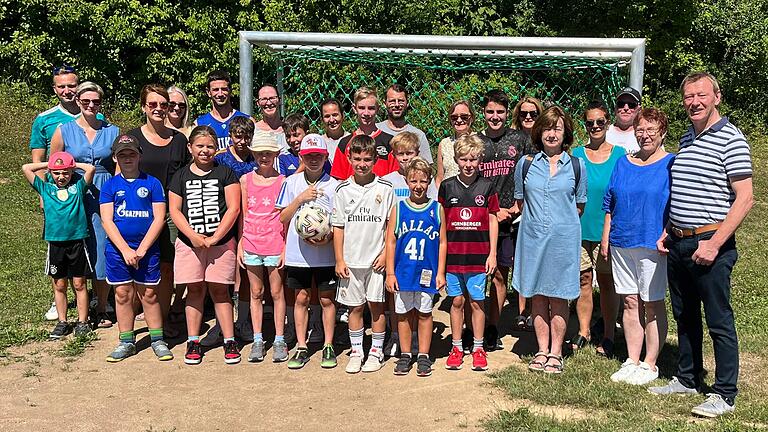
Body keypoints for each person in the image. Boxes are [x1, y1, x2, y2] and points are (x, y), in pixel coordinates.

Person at [649, 73, 754, 418]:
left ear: (717, 98)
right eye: (688, 96)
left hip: (711, 244)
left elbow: (745, 198)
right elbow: (685, 192)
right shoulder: (687, 138)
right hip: (679, 243)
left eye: (701, 95)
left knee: (719, 320)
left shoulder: (731, 138)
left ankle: (725, 393)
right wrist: (669, 229)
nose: (694, 101)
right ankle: (687, 377)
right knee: (686, 314)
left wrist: (715, 243)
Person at [601, 108, 674, 384]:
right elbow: (610, 202)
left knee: (652, 303)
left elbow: (676, 204)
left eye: (651, 130)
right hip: (621, 241)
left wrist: (667, 233)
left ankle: (650, 363)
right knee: (630, 301)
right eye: (640, 130)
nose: (645, 136)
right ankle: (632, 359)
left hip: (652, 243)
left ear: (662, 133)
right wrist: (606, 237)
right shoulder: (623, 163)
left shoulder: (671, 163)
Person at [513, 106, 586, 374]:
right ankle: (541, 349)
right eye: (547, 127)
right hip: (532, 238)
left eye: (557, 128)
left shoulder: (577, 165)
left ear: (565, 131)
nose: (551, 133)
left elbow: (579, 206)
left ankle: (557, 352)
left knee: (559, 296)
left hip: (563, 240)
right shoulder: (526, 164)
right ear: (538, 131)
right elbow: (521, 202)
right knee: (537, 295)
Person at [29, 65, 103, 321]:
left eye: (71, 85)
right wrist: (43, 193)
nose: (67, 90)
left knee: (91, 239)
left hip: (88, 188)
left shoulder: (95, 114)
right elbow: (39, 158)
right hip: (58, 193)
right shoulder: (45, 118)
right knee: (62, 241)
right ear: (54, 89)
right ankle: (58, 299)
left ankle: (94, 292)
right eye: (61, 86)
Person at [168, 126, 241, 365]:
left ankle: (229, 340)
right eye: (200, 146)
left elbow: (233, 208)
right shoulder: (180, 176)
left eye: (210, 146)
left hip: (221, 244)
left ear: (216, 149)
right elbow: (175, 211)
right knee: (195, 290)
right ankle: (193, 340)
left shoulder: (226, 173)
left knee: (221, 291)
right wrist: (195, 237)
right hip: (189, 244)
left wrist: (215, 237)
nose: (205, 150)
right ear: (190, 148)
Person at [50, 81, 120, 329]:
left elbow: (118, 165)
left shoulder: (113, 131)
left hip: (104, 190)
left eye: (96, 101)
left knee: (102, 246)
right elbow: (53, 165)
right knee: (76, 245)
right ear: (78, 101)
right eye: (86, 101)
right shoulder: (64, 130)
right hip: (73, 194)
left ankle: (101, 306)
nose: (91, 105)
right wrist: (51, 198)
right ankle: (76, 302)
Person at [99, 135, 171, 362]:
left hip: (146, 249)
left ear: (140, 155)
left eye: (131, 154)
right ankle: (126, 341)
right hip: (118, 250)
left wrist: (141, 250)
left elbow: (159, 218)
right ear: (115, 157)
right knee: (122, 294)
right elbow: (107, 221)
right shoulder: (109, 185)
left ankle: (157, 339)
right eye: (122, 154)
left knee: (148, 294)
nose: (127, 158)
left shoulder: (152, 183)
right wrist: (126, 250)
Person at [127, 84, 190, 332]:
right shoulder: (132, 138)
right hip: (139, 212)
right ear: (144, 106)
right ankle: (130, 324)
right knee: (135, 264)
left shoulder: (179, 140)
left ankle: (161, 324)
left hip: (171, 214)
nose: (159, 109)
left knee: (167, 266)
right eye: (152, 104)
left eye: (163, 105)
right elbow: (122, 177)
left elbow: (185, 177)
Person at [275, 134, 340, 370]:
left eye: (318, 156)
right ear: (301, 157)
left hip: (325, 255)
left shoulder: (334, 185)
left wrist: (328, 236)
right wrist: (300, 199)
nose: (313, 160)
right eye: (309, 156)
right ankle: (302, 346)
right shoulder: (291, 184)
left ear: (325, 157)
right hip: (297, 254)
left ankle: (328, 344)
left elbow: (339, 223)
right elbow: (281, 217)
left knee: (325, 299)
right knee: (301, 298)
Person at [333, 134, 395, 374]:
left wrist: (385, 255)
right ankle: (357, 351)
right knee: (354, 309)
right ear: (348, 159)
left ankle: (376, 351)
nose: (362, 164)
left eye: (367, 159)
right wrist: (339, 259)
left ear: (375, 160)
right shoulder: (342, 190)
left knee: (377, 307)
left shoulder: (385, 188)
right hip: (351, 261)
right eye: (357, 158)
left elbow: (391, 226)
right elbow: (338, 227)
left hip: (376, 262)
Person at [479, 89, 533, 350]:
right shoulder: (475, 141)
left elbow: (533, 173)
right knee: (478, 274)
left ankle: (493, 327)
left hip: (512, 217)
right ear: (484, 113)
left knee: (501, 273)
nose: (495, 116)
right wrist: (492, 209)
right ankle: (474, 326)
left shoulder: (520, 139)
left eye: (500, 111)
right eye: (490, 111)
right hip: (483, 217)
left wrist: (517, 204)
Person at [570, 101, 625, 356]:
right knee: (583, 280)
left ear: (607, 123)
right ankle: (583, 331)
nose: (595, 127)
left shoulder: (620, 155)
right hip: (580, 228)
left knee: (606, 282)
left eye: (600, 122)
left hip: (607, 231)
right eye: (590, 122)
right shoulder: (576, 155)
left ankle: (609, 335)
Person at [440, 134, 498, 372]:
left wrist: (492, 254)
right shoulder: (447, 186)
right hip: (453, 257)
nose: (468, 164)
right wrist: (440, 259)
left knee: (477, 302)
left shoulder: (487, 186)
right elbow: (442, 223)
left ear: (480, 160)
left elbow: (493, 219)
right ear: (455, 159)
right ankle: (455, 346)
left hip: (478, 257)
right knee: (456, 301)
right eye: (463, 159)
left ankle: (478, 347)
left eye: (472, 159)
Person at [22, 152, 95, 338]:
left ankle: (82, 322)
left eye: (65, 172)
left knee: (79, 283)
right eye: (56, 173)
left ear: (71, 172)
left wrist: (71, 164)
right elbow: (26, 168)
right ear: (50, 173)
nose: (61, 177)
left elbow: (90, 169)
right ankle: (62, 322)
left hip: (77, 242)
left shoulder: (78, 187)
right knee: (59, 284)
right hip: (55, 244)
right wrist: (50, 164)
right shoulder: (45, 188)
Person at [385, 157, 447, 377]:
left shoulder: (436, 208)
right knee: (402, 314)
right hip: (403, 273)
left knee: (424, 313)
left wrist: (440, 272)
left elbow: (442, 242)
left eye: (423, 181)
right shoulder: (399, 208)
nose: (418, 186)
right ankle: (405, 353)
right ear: (407, 182)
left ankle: (423, 354)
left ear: (429, 181)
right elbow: (391, 241)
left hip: (426, 273)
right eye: (413, 181)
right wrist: (390, 272)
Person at [381, 131, 438, 357]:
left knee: (419, 299)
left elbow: (431, 211)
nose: (405, 158)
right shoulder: (388, 181)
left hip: (418, 246)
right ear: (394, 155)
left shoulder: (425, 182)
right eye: (401, 154)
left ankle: (416, 338)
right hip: (394, 245)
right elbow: (386, 217)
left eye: (410, 153)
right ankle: (396, 336)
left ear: (418, 153)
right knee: (396, 297)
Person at [238, 132, 288, 363]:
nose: (264, 157)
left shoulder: (283, 180)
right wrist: (240, 243)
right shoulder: (245, 180)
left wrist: (286, 248)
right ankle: (258, 339)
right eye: (259, 153)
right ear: (254, 154)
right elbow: (243, 215)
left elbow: (285, 218)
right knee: (255, 292)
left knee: (277, 292)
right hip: (251, 243)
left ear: (276, 154)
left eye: (268, 153)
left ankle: (279, 339)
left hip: (275, 243)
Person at [330, 86, 398, 180]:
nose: (366, 113)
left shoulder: (390, 142)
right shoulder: (345, 143)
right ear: (354, 108)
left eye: (371, 108)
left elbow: (396, 177)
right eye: (362, 108)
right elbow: (338, 179)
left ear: (377, 109)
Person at [194, 70, 251, 150]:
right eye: (215, 90)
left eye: (224, 89)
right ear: (208, 92)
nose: (220, 94)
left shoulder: (247, 120)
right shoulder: (199, 124)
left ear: (230, 90)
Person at [375, 84, 433, 163]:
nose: (397, 105)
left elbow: (426, 169)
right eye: (392, 101)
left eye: (401, 101)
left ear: (407, 103)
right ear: (384, 104)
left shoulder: (419, 135)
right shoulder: (375, 130)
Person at [435, 100, 475, 188]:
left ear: (471, 118)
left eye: (464, 117)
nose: (459, 120)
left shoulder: (479, 141)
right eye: (454, 117)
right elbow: (439, 177)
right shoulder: (444, 144)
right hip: (448, 196)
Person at [254, 84, 290, 154]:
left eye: (272, 98)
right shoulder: (253, 131)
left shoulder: (290, 130)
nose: (269, 103)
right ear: (258, 103)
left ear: (279, 100)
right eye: (264, 99)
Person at [606, 87, 642, 154]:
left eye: (631, 105)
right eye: (621, 104)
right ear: (615, 108)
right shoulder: (603, 133)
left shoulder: (646, 135)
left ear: (639, 109)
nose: (626, 108)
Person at [320, 98, 349, 163]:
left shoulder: (351, 140)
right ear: (322, 119)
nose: (332, 120)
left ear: (343, 115)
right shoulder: (319, 143)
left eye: (335, 115)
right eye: (327, 116)